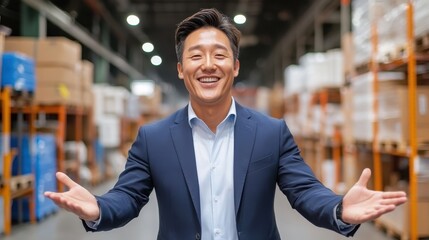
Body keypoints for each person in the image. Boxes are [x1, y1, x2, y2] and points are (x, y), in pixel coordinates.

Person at [45, 8, 407, 240]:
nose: (208, 64)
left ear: (235, 67)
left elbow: (304, 191)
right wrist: (97, 210)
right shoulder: (153, 138)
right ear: (180, 70)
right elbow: (126, 198)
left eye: (219, 55)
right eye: (195, 55)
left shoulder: (271, 132)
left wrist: (338, 208)